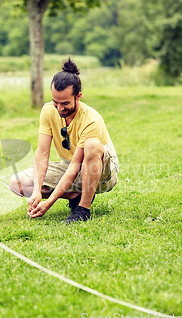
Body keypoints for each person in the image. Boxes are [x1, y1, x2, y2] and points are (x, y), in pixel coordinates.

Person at [9, 58, 119, 223]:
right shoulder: (47, 111)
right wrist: (37, 191)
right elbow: (42, 152)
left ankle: (83, 210)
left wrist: (49, 203)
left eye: (65, 103)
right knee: (17, 183)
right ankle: (75, 195)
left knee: (92, 145)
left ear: (78, 96)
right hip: (70, 167)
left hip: (103, 174)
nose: (60, 109)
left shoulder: (91, 120)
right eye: (56, 102)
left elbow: (76, 165)